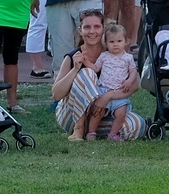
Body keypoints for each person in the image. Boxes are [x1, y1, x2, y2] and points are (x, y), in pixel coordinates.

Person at [50, 9, 145, 140]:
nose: (92, 31)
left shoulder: (114, 53)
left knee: (136, 124)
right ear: (80, 31)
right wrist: (75, 69)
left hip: (101, 113)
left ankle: (93, 132)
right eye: (87, 27)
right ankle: (78, 129)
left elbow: (135, 86)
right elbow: (56, 94)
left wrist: (107, 96)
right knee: (87, 73)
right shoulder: (73, 56)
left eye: (96, 27)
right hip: (71, 114)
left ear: (103, 29)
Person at [71, 22, 136, 141]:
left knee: (121, 114)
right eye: (111, 42)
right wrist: (86, 62)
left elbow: (133, 71)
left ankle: (113, 134)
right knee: (98, 112)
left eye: (119, 41)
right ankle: (91, 132)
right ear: (105, 43)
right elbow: (96, 68)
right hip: (103, 89)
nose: (115, 44)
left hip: (119, 92)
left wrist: (129, 81)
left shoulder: (128, 58)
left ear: (126, 41)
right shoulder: (104, 56)